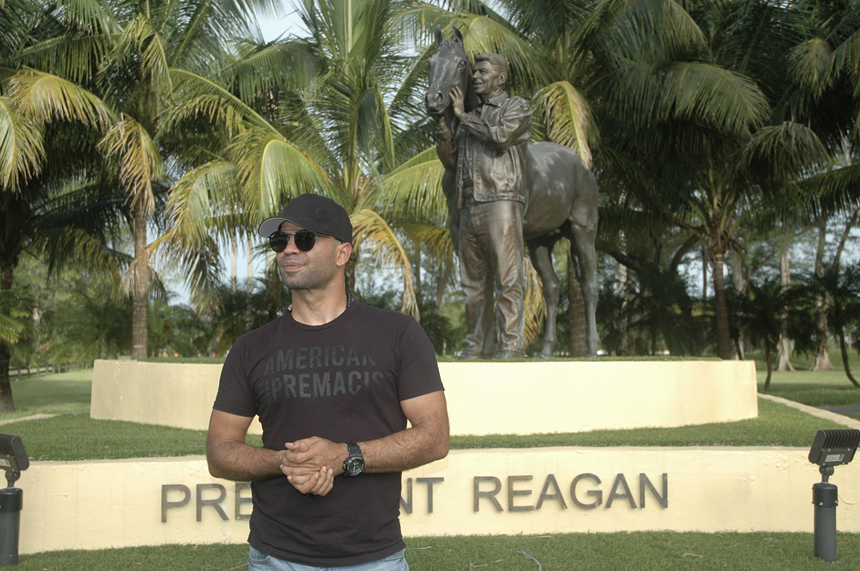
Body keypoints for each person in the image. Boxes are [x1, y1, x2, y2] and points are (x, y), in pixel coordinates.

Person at [206, 193, 449, 570]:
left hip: (375, 558)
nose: (288, 250)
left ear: (342, 254)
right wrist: (285, 462)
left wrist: (346, 457)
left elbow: (435, 436)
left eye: (303, 239)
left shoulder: (398, 334)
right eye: (279, 241)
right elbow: (220, 452)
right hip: (277, 558)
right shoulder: (250, 349)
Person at [436, 52, 532, 360]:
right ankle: (474, 346)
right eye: (474, 72)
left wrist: (463, 117)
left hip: (501, 201)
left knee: (507, 278)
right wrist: (444, 125)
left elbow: (501, 136)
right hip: (469, 206)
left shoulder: (514, 107)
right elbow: (452, 161)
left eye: (483, 71)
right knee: (472, 285)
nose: (475, 76)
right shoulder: (469, 117)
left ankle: (512, 345)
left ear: (500, 78)